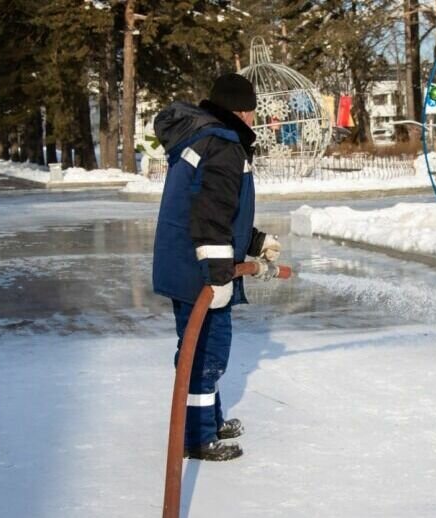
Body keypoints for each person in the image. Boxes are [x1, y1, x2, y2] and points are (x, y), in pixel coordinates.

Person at [152, 73, 282, 461]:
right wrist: (218, 274)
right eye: (253, 113)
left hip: (185, 261)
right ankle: (197, 437)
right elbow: (210, 217)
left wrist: (256, 242)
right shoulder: (223, 146)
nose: (254, 121)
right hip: (199, 270)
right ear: (239, 111)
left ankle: (206, 418)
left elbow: (216, 210)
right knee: (207, 351)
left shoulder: (202, 138)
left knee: (202, 348)